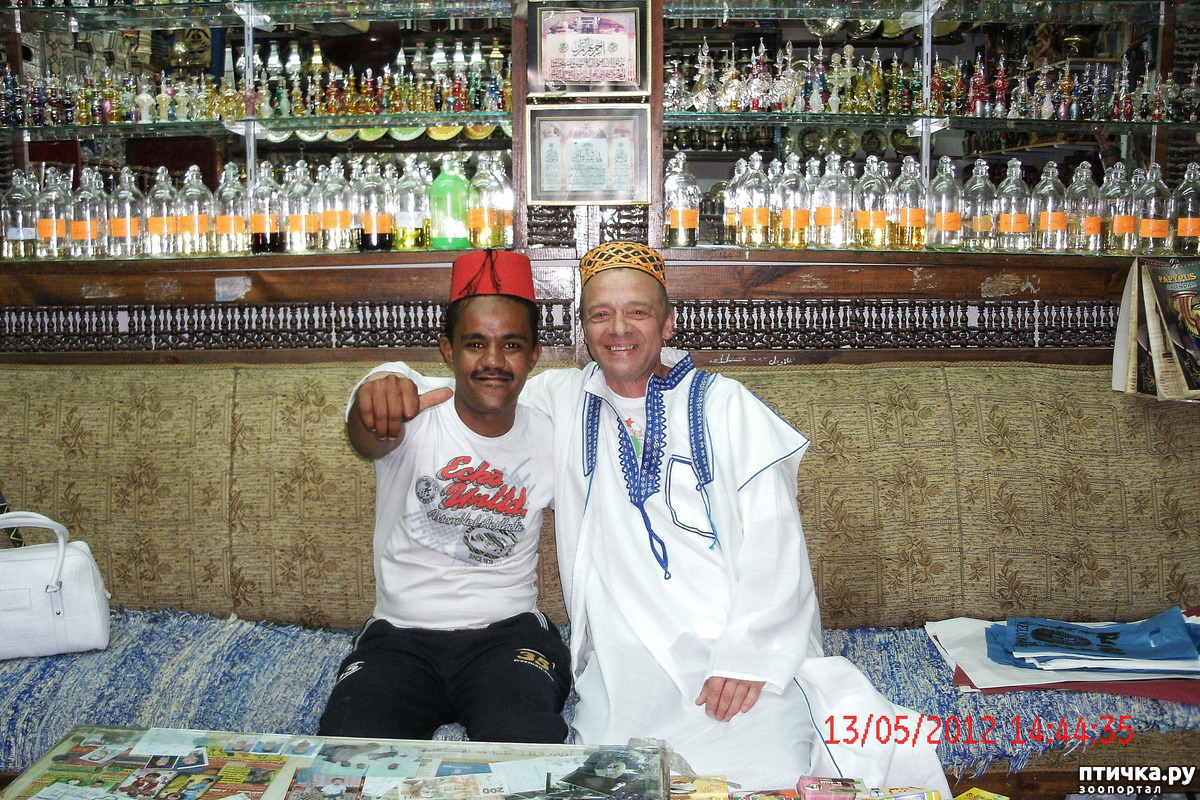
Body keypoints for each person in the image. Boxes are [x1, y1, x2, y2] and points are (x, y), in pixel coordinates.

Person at [354, 242, 949, 793]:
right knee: (611, 775)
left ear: (667, 324)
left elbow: (775, 539)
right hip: (624, 657)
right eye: (600, 315)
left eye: (637, 313)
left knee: (767, 769)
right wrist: (383, 380)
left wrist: (750, 653)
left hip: (727, 646)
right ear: (582, 329)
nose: (618, 329)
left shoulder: (726, 405)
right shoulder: (561, 398)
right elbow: (462, 388)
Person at [318, 249, 571, 744]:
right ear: (448, 351)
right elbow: (368, 436)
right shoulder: (414, 411)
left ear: (534, 355)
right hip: (400, 638)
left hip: (508, 636)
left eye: (512, 344)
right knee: (348, 750)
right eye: (475, 344)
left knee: (524, 742)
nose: (493, 361)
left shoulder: (552, 435)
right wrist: (372, 401)